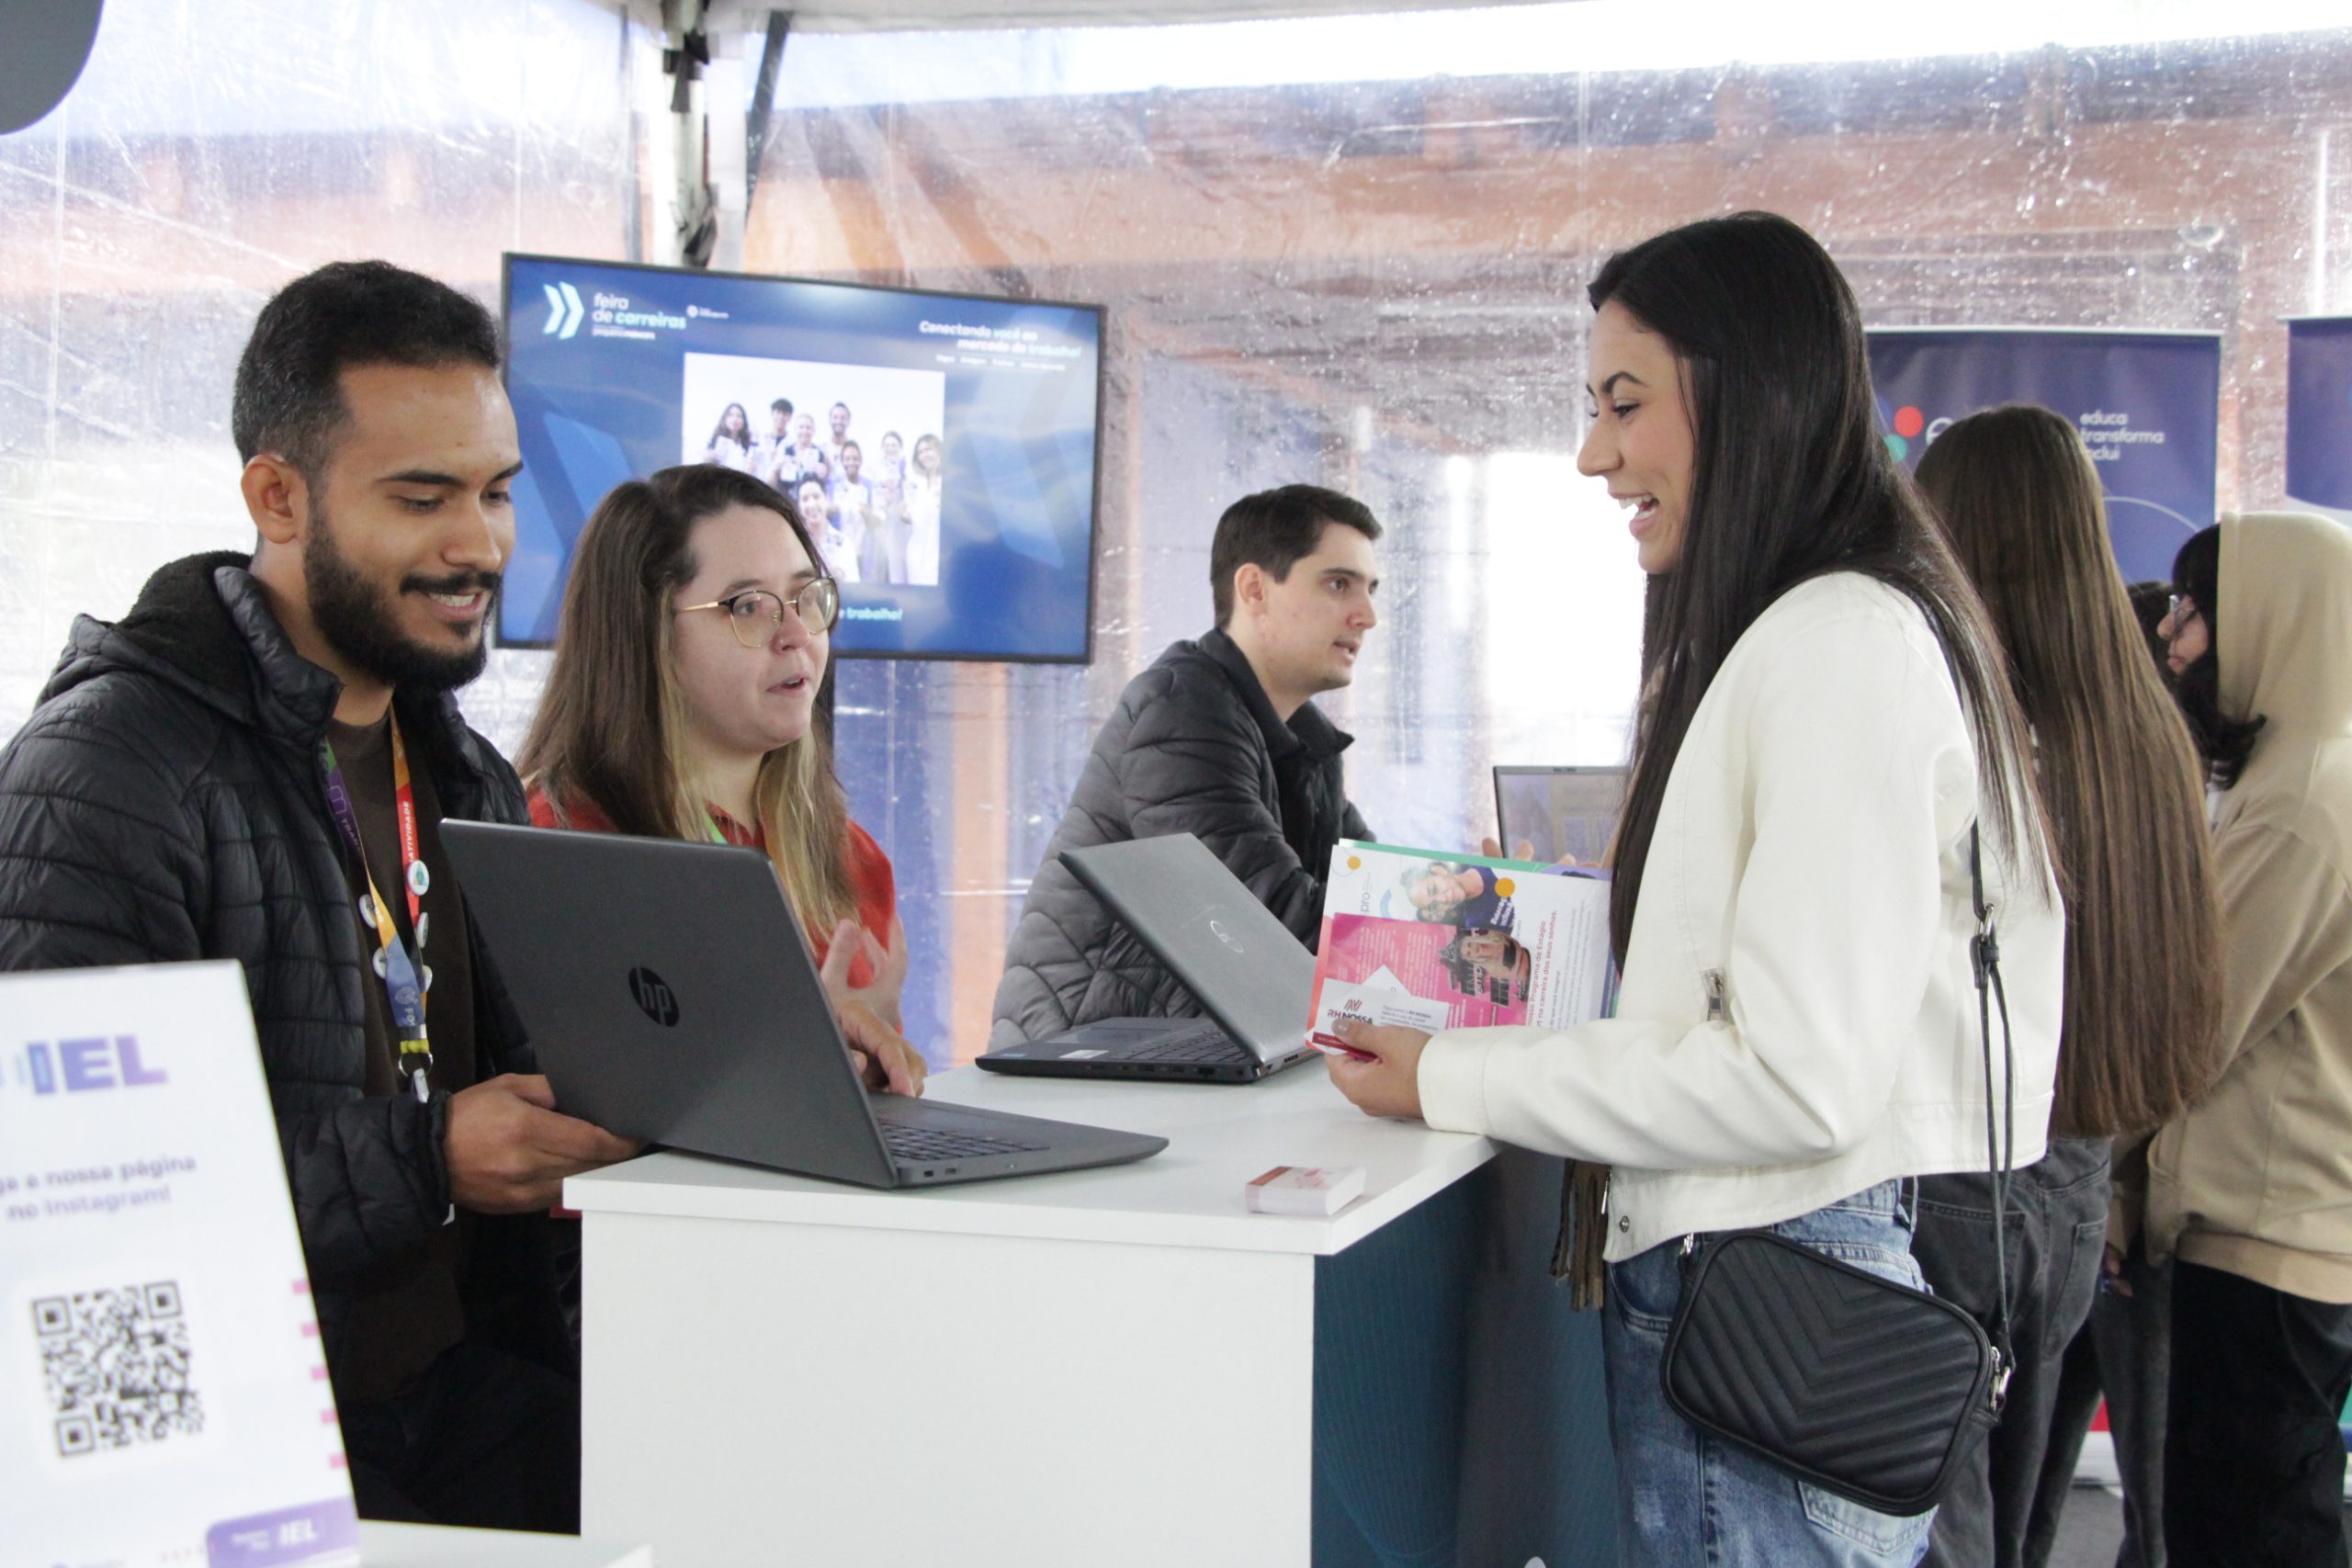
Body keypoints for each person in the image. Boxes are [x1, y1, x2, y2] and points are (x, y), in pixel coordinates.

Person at [1327, 212, 2066, 1568]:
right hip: (1759, 1282)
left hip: (1763, 1291)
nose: (1591, 453)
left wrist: (1452, 1074)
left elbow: (1791, 1078)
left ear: (1748, 390)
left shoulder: (1841, 641)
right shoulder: (1817, 626)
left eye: (1624, 404)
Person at [0, 261, 647, 1532]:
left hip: (471, 1399)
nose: (480, 545)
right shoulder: (110, 772)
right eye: (422, 497)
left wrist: (744, 1061)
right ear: (277, 496)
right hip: (241, 1459)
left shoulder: (463, 772)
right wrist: (427, 1157)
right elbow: (64, 1203)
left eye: (496, 492)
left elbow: (525, 1084)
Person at [1906, 404, 2223, 1568]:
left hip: (1956, 1170)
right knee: (2012, 1515)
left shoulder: (1973, 731)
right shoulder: (2143, 734)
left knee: (1932, 1522)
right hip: (2075, 1174)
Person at [517, 465, 918, 1079]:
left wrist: (885, 1070)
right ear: (649, 635)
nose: (795, 634)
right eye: (749, 606)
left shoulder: (851, 856)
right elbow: (593, 1102)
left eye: (806, 596)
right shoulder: (561, 847)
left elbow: (885, 1092)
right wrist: (802, 1056)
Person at [2141, 513, 2352, 1568]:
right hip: (2286, 1233)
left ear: (2270, 622)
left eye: (2193, 612)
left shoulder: (2302, 801)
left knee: (2251, 1531)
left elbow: (2192, 1021)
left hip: (2268, 1247)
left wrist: (2111, 1183)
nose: (2171, 637)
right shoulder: (2300, 778)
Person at [990, 483, 1381, 1050]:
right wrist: (1459, 928)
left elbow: (1374, 890)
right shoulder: (1182, 711)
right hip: (1087, 1063)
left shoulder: (1302, 740)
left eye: (1370, 589)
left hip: (1182, 1053)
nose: (1367, 616)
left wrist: (1480, 901)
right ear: (1254, 589)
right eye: (1339, 584)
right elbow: (1268, 927)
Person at [799, 474, 863, 586]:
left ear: (826, 499)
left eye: (816, 497)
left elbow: (854, 589)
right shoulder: (795, 543)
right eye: (805, 499)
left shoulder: (843, 544)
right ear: (799, 505)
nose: (811, 504)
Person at [905, 433, 944, 586]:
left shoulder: (948, 482)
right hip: (915, 553)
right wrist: (904, 515)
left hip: (938, 554)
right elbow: (911, 516)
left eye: (928, 449)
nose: (924, 455)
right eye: (920, 452)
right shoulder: (915, 484)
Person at [754, 397, 796, 491]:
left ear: (790, 418)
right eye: (778, 412)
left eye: (785, 414)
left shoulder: (792, 443)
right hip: (759, 485)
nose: (781, 417)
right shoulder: (761, 438)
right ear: (772, 414)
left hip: (782, 489)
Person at [704, 401, 756, 472]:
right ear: (724, 418)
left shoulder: (747, 443)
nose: (735, 419)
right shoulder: (715, 441)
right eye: (730, 415)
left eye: (739, 416)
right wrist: (708, 459)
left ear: (744, 421)